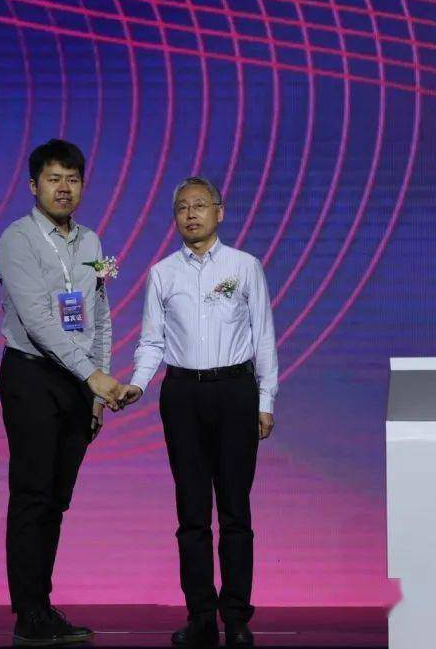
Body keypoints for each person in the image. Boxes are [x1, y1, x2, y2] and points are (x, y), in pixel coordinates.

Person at [119, 176, 279, 648]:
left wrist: (266, 400)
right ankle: (202, 617)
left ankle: (237, 618)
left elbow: (263, 336)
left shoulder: (245, 266)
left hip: (235, 392)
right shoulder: (162, 273)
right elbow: (152, 341)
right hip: (183, 395)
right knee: (191, 512)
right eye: (182, 208)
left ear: (219, 212)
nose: (191, 214)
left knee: (235, 511)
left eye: (200, 205)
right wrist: (137, 383)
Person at [0, 138, 122, 646]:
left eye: (72, 178)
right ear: (34, 185)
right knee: (32, 495)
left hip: (79, 383)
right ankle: (29, 614)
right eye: (54, 178)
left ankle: (42, 607)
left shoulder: (91, 243)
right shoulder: (18, 239)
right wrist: (91, 376)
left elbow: (100, 315)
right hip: (31, 376)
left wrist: (98, 384)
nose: (64, 187)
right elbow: (39, 322)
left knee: (56, 500)